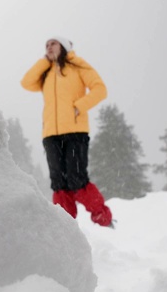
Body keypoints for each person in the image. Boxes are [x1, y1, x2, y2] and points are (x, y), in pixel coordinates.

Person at [21, 36, 112, 227]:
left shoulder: (77, 66)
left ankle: (103, 219)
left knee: (76, 179)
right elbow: (26, 82)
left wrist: (79, 106)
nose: (48, 47)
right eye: (46, 45)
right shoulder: (45, 72)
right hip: (50, 134)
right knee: (59, 184)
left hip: (75, 131)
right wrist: (45, 61)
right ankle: (64, 226)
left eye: (53, 43)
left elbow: (100, 89)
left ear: (63, 46)